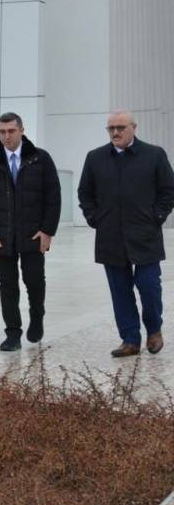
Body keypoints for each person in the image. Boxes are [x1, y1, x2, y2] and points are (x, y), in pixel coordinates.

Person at [78, 110, 174, 357]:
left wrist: (157, 217)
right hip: (110, 236)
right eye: (111, 128)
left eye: (121, 127)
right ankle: (130, 339)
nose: (116, 132)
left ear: (134, 127)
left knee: (149, 286)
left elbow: (168, 190)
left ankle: (154, 329)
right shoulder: (95, 157)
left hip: (145, 235)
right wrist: (94, 217)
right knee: (120, 291)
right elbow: (85, 193)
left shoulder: (154, 155)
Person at [0, 112, 61, 352]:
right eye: (2, 132)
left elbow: (53, 197)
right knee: (7, 285)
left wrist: (47, 231)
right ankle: (12, 332)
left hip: (32, 234)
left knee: (34, 281)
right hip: (2, 237)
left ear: (22, 130)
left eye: (11, 131)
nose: (6, 136)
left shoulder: (40, 159)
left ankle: (37, 318)